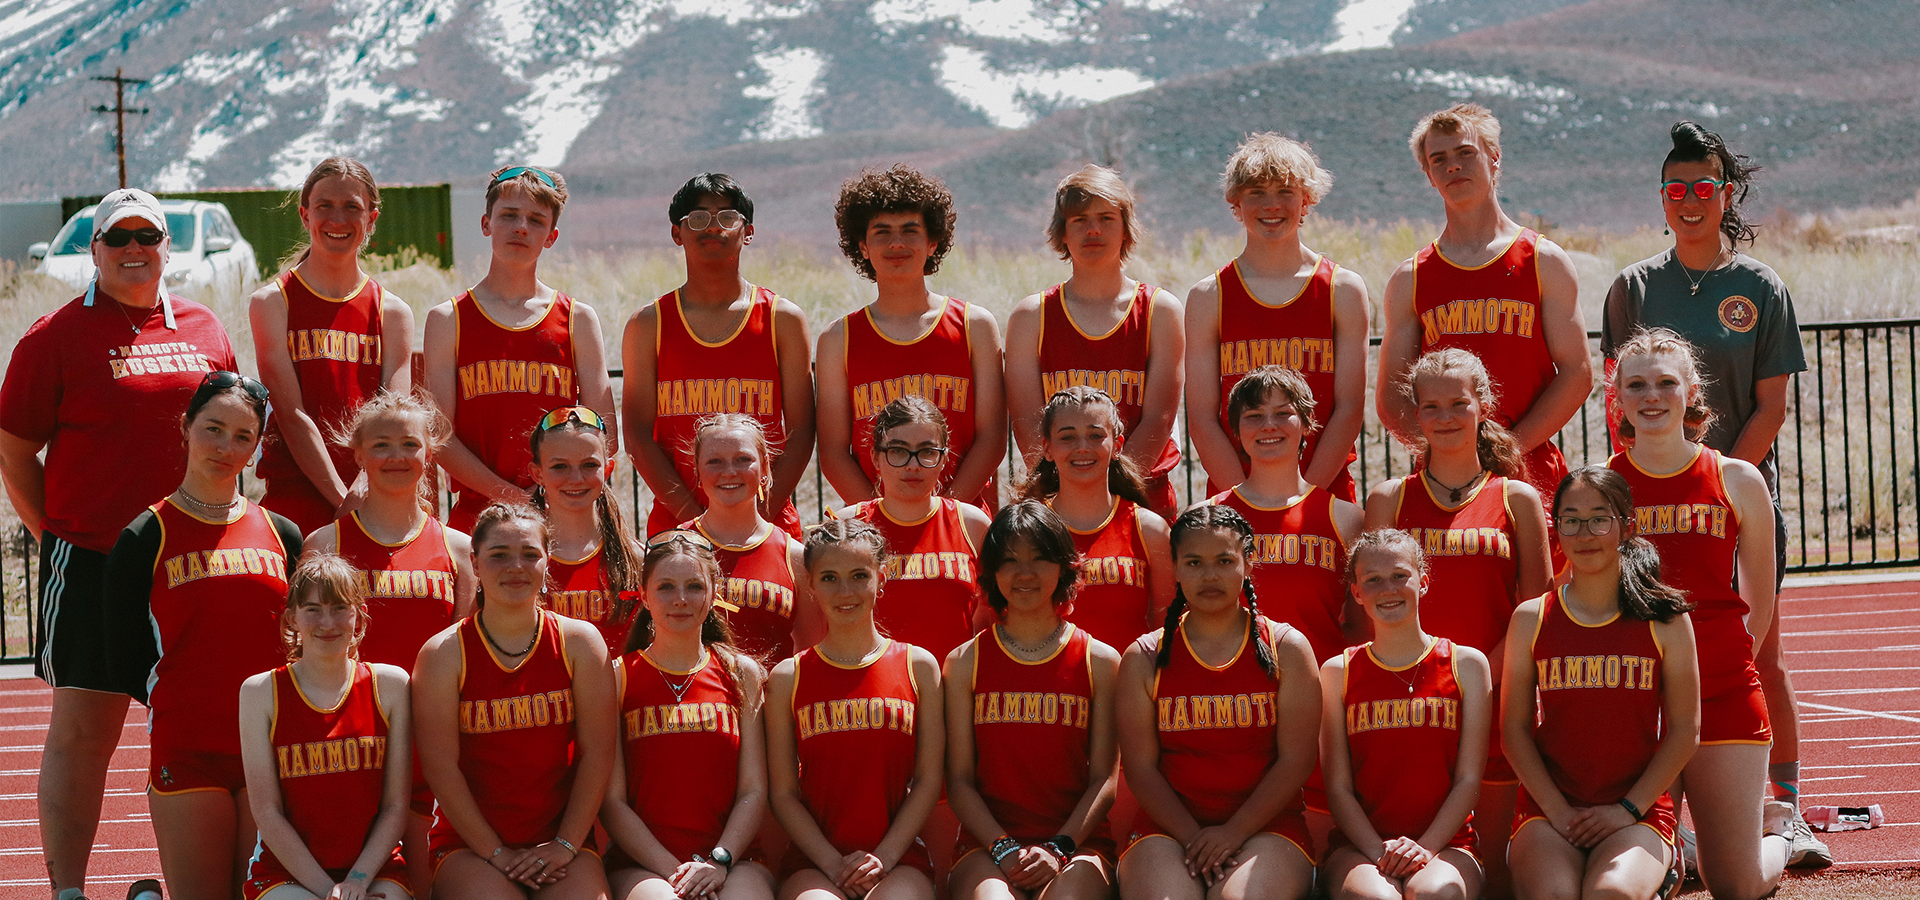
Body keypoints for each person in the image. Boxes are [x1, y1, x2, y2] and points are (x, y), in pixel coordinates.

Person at [0, 187, 238, 900]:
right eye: (118, 236)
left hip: (192, 564)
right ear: (94, 250)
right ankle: (69, 890)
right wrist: (58, 536)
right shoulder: (54, 337)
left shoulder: (205, 329)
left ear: (168, 248)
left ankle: (202, 884)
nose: (134, 248)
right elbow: (15, 454)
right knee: (83, 734)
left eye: (149, 235)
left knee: (200, 734)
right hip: (95, 560)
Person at [1600, 122, 1823, 868]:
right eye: (1676, 189)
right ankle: (1674, 821)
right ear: (1662, 199)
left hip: (1731, 493)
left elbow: (1771, 406)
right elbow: (1619, 396)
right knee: (1645, 652)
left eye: (1704, 187)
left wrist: (1721, 483)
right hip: (1646, 501)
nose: (1690, 200)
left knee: (1758, 652)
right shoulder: (1633, 286)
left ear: (1724, 194)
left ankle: (1782, 811)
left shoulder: (1760, 287)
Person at [101, 372, 305, 899]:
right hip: (190, 745)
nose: (225, 447)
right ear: (186, 427)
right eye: (214, 429)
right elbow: (123, 653)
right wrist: (178, 703)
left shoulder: (283, 534)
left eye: (243, 437)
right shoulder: (146, 534)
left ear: (257, 448)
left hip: (271, 744)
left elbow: (303, 639)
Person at [1605, 330, 1792, 897]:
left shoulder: (1736, 478)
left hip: (1723, 690)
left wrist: (1725, 665)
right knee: (1627, 872)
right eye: (1636, 385)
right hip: (1634, 695)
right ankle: (1668, 850)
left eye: (1666, 383)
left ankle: (1780, 830)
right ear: (1618, 400)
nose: (1652, 396)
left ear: (1691, 392)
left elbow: (1758, 603)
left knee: (1733, 884)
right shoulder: (1601, 486)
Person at [1364, 348, 1550, 896]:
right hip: (1410, 705)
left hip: (1494, 702)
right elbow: (1372, 604)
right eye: (1431, 406)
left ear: (1484, 405)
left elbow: (1535, 609)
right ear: (1414, 416)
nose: (1445, 417)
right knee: (1411, 870)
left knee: (1492, 877)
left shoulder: (1516, 497)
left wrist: (1481, 677)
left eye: (1458, 403)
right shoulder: (1389, 499)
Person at [1378, 104, 1592, 520]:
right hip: (1443, 486)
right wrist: (1446, 453)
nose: (1453, 167)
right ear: (1427, 173)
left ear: (1494, 158)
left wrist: (1509, 447)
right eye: (1438, 159)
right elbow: (1391, 397)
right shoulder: (1411, 278)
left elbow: (1577, 372)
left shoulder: (1542, 260)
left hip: (1529, 472)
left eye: (1465, 153)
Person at [303, 390, 477, 894]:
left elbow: (462, 656)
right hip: (351, 744)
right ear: (356, 454)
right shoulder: (325, 544)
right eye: (381, 445)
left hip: (430, 744)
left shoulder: (458, 548)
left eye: (409, 444)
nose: (397, 457)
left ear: (430, 452)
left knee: (423, 887)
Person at [1504, 467, 1702, 900]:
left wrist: (1628, 809)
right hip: (1551, 809)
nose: (1585, 532)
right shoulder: (1531, 619)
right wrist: (1558, 813)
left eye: (1600, 517)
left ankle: (1666, 863)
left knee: (1610, 894)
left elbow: (1685, 730)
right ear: (1556, 530)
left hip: (1636, 809)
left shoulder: (1665, 619)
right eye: (1571, 519)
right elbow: (1514, 731)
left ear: (1626, 526)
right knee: (1552, 895)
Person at [410, 502, 617, 899]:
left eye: (529, 554)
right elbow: (441, 767)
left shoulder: (580, 643)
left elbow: (597, 753)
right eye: (499, 555)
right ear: (474, 562)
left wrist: (566, 845)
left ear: (547, 561)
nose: (515, 567)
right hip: (470, 846)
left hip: (563, 842)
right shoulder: (444, 653)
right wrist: (496, 853)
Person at [1114, 505, 1320, 900]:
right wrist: (1196, 838)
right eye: (1194, 562)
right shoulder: (1144, 657)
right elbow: (1140, 769)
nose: (1209, 575)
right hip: (1169, 830)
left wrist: (1233, 833)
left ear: (1248, 563)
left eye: (1224, 560)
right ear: (1174, 567)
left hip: (1269, 827)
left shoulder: (1287, 648)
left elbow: (1296, 760)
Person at [422, 165, 616, 532]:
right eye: (509, 215)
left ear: (551, 236)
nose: (521, 227)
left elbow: (604, 432)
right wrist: (512, 496)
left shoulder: (577, 318)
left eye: (536, 220)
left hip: (562, 517)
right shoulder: (449, 318)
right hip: (478, 517)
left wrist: (548, 492)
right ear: (486, 223)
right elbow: (439, 435)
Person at [944, 501, 1121, 900]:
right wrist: (1004, 849)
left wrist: (1058, 849)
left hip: (1078, 846)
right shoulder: (963, 663)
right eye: (1009, 560)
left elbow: (1104, 781)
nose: (1024, 573)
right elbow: (958, 781)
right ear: (991, 572)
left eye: (1039, 558)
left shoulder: (1100, 660)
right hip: (986, 848)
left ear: (1063, 566)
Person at [623, 173, 815, 537]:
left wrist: (754, 516)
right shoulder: (650, 324)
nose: (712, 227)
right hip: (679, 529)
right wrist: (696, 520)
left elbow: (802, 430)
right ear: (677, 233)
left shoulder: (783, 319)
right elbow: (636, 434)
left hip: (767, 524)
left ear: (748, 231)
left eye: (727, 216)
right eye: (697, 218)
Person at [765, 518, 946, 900]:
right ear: (810, 585)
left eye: (859, 575)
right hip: (814, 863)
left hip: (897, 859)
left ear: (881, 578)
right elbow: (783, 794)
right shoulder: (788, 677)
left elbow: (929, 780)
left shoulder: (919, 666)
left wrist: (883, 857)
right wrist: (833, 864)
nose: (844, 590)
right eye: (829, 577)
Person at [1185, 134, 1369, 501]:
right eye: (1256, 192)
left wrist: (1305, 499)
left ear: (1307, 199)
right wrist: (1246, 498)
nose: (1272, 205)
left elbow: (1348, 409)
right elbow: (1203, 421)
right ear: (1235, 201)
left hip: (1324, 494)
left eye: (1285, 191)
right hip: (1234, 497)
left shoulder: (1342, 289)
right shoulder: (1209, 296)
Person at [816, 164, 1006, 509]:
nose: (897, 242)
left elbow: (992, 438)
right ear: (862, 246)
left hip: (963, 523)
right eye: (882, 231)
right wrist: (884, 518)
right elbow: (832, 452)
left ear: (933, 242)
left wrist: (944, 516)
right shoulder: (837, 339)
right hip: (878, 536)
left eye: (910, 229)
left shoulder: (973, 325)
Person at [601, 531, 777, 900]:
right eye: (665, 587)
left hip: (732, 860)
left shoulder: (740, 672)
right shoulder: (617, 675)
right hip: (645, 866)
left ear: (714, 594)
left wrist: (719, 862)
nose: (680, 600)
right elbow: (612, 802)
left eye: (694, 586)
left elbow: (753, 789)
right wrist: (676, 873)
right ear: (644, 596)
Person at [1319, 529, 1490, 900]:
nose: (1388, 589)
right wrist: (1381, 853)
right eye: (1373, 580)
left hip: (1447, 845)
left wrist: (1424, 848)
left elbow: (1469, 781)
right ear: (1357, 593)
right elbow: (1338, 788)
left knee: (1434, 894)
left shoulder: (1468, 665)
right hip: (1359, 848)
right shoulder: (1337, 672)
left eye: (1400, 576)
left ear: (1423, 582)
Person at [1004, 165, 1185, 516]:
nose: (1093, 230)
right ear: (1062, 234)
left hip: (1141, 500)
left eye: (1106, 217)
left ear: (1126, 230)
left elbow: (1159, 419)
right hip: (1058, 500)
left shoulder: (1159, 310)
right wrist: (1073, 493)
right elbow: (1028, 425)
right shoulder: (1031, 317)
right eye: (1079, 219)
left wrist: (1108, 495)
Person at [251, 157, 416, 534]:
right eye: (325, 206)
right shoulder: (273, 303)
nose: (337, 220)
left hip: (375, 498)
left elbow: (391, 422)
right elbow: (293, 416)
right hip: (297, 503)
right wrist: (343, 501)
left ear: (371, 219)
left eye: (351, 208)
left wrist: (363, 492)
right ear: (305, 215)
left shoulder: (392, 312)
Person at [239, 553, 414, 900]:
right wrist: (329, 893)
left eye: (339, 608)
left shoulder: (391, 685)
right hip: (286, 873)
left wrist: (358, 881)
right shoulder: (260, 692)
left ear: (359, 617)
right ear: (292, 619)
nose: (327, 622)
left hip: (373, 870)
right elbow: (267, 813)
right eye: (313, 609)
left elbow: (395, 806)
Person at [1209, 366, 1363, 667]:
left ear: (1307, 423)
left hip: (1321, 695)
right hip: (1238, 698)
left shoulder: (1346, 519)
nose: (1269, 425)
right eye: (1254, 415)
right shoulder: (1209, 518)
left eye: (1283, 413)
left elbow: (1360, 628)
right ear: (1236, 430)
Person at [837, 396, 992, 665]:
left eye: (926, 452)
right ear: (875, 457)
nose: (913, 465)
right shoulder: (848, 527)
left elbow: (992, 616)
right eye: (898, 451)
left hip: (954, 690)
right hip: (878, 695)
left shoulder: (972, 524)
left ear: (944, 458)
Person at [1019, 386, 1173, 653]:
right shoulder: (1026, 530)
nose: (1082, 448)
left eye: (1095, 435)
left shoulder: (1150, 530)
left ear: (1117, 446)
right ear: (1047, 448)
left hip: (1129, 689)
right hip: (1054, 691)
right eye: (1067, 437)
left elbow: (1167, 631)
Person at [680, 414, 821, 663]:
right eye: (714, 462)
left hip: (772, 700)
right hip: (694, 701)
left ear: (765, 467)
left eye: (743, 459)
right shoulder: (676, 548)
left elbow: (809, 655)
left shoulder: (795, 556)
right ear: (697, 471)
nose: (729, 472)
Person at [529, 405, 644, 656]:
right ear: (537, 474)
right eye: (559, 466)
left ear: (608, 469)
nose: (576, 478)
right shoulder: (521, 558)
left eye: (589, 465)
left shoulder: (637, 560)